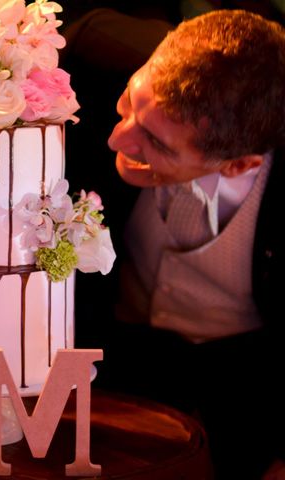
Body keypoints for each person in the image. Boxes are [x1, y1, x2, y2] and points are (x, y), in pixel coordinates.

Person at [65, 8, 285, 479]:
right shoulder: (95, 48)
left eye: (158, 143)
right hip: (108, 347)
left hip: (250, 378)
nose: (117, 138)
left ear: (238, 165)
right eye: (129, 102)